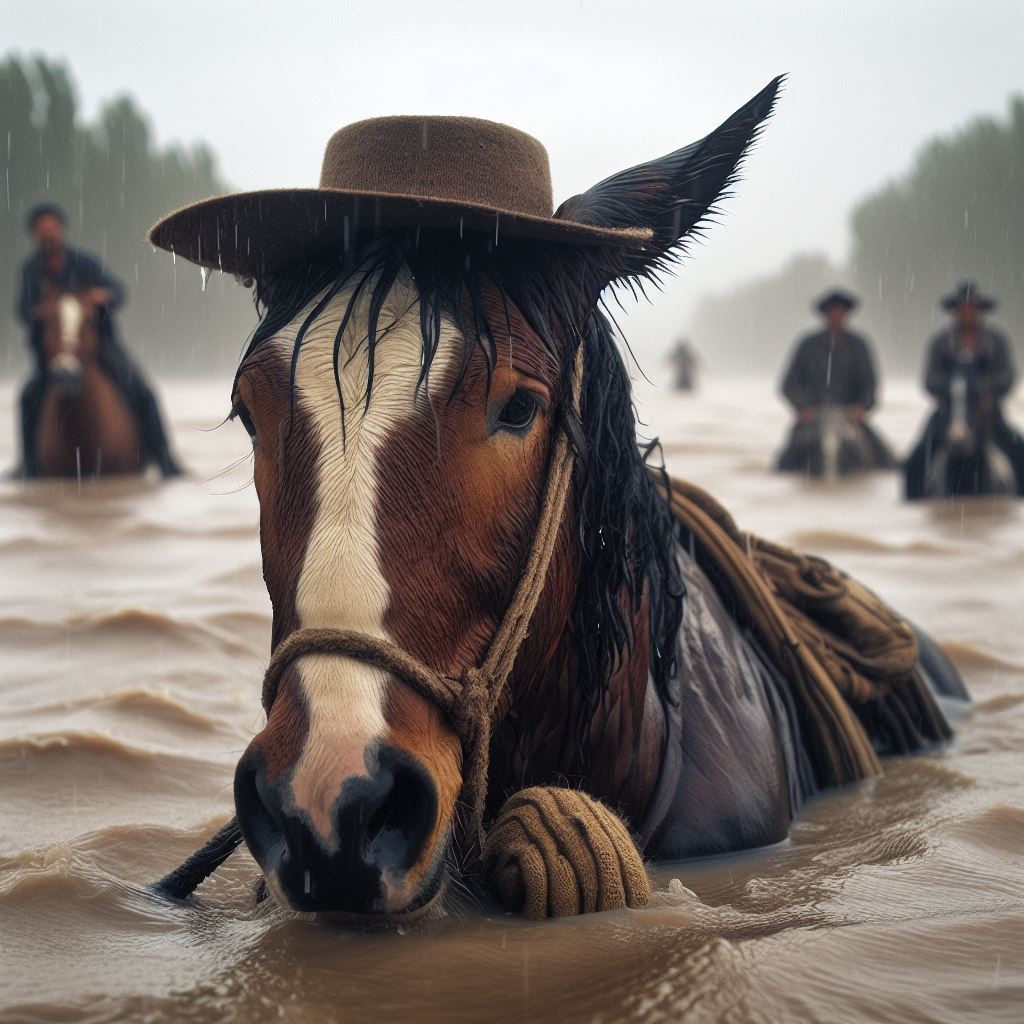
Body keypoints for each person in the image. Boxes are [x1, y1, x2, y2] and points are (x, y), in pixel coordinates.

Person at [15, 204, 183, 477]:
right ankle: (29, 466)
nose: (48, 234)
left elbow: (119, 292)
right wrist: (40, 311)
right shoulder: (30, 271)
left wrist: (102, 296)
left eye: (51, 227)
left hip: (99, 345)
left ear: (60, 229)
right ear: (34, 234)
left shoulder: (86, 262)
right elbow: (21, 311)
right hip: (52, 352)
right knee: (27, 396)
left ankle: (165, 460)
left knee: (142, 389)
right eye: (41, 229)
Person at [904, 281, 1024, 498]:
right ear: (955, 311)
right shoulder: (940, 342)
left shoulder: (997, 341)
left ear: (979, 311)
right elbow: (929, 379)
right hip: (946, 415)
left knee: (1019, 452)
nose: (967, 312)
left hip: (989, 416)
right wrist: (951, 386)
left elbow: (1009, 375)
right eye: (963, 308)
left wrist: (989, 387)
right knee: (915, 460)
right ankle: (912, 504)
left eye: (972, 307)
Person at [776, 289, 894, 475]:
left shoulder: (859, 345)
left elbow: (871, 386)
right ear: (825, 314)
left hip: (849, 416)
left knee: (886, 460)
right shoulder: (807, 345)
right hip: (814, 415)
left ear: (846, 314)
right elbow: (788, 385)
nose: (836, 316)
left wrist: (862, 407)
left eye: (840, 311)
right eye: (832, 311)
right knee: (783, 463)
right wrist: (802, 407)